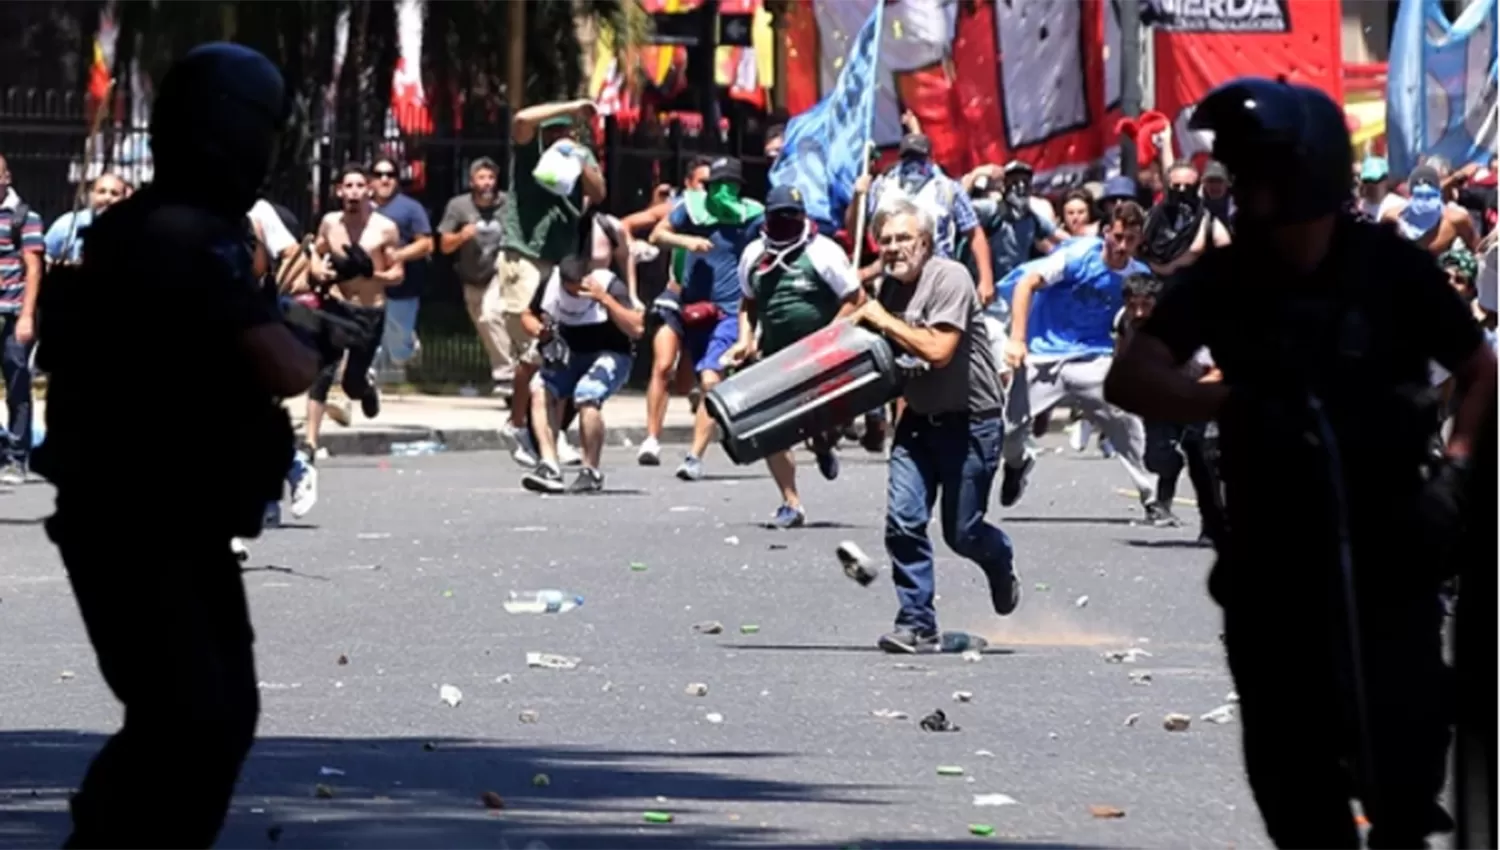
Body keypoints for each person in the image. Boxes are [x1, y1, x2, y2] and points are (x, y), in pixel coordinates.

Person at [1105, 76, 1497, 849]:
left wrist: (1456, 471)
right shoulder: (1226, 276)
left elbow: (1479, 366)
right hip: (1271, 560)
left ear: (1306, 177)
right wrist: (1232, 401)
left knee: (1408, 771)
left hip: (1390, 547)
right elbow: (1133, 375)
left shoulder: (1389, 267)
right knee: (1295, 790)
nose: (1244, 195)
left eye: (1258, 176)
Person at [32, 42, 321, 847]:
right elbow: (279, 363)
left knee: (208, 714)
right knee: (191, 713)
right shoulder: (182, 236)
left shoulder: (159, 226)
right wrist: (306, 336)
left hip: (166, 521)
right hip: (136, 524)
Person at [845, 199, 1019, 653]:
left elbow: (939, 349)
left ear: (925, 241)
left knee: (962, 533)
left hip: (972, 423)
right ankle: (917, 623)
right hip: (919, 422)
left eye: (904, 238)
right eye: (885, 240)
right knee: (903, 521)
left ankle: (999, 559)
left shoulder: (950, 277)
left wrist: (882, 319)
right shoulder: (890, 289)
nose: (893, 247)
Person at [998, 202, 1160, 517]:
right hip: (1045, 353)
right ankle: (1018, 464)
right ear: (1106, 233)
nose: (1122, 246)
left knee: (1125, 420)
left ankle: (1153, 497)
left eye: (1131, 239)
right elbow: (1026, 283)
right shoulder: (1076, 257)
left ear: (1140, 240)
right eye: (1118, 236)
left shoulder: (1138, 276)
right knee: (1008, 432)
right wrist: (1017, 340)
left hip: (1093, 358)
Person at [723, 185, 863, 527]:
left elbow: (854, 298)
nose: (785, 222)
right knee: (774, 429)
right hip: (776, 357)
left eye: (792, 216)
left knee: (825, 426)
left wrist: (830, 335)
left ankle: (824, 444)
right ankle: (791, 502)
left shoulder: (823, 252)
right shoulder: (754, 254)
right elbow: (748, 301)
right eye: (779, 216)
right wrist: (745, 338)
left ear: (802, 218)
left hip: (823, 357)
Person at [501, 97, 606, 465]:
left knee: (557, 353)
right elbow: (521, 117)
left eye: (565, 129)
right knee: (538, 349)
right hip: (526, 256)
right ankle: (518, 424)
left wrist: (579, 157)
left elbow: (599, 192)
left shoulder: (574, 157)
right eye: (553, 130)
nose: (558, 135)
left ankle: (550, 432)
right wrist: (575, 106)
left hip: (559, 262)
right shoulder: (531, 156)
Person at [295, 164, 403, 514]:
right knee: (323, 370)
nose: (354, 191)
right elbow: (315, 246)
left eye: (360, 185)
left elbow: (398, 272)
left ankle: (366, 389)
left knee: (352, 381)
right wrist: (316, 267)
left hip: (369, 312)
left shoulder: (385, 228)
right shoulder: (330, 222)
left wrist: (374, 272)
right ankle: (310, 442)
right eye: (348, 186)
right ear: (340, 191)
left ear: (369, 191)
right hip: (336, 305)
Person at [649, 156, 765, 481]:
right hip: (691, 310)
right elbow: (657, 235)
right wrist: (686, 240)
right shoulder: (692, 208)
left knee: (711, 379)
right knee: (685, 380)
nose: (722, 192)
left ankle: (693, 457)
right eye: (717, 185)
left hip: (730, 312)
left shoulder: (752, 215)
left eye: (729, 186)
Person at [519, 255, 643, 493]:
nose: (576, 294)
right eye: (571, 289)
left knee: (587, 394)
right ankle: (549, 466)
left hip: (610, 352)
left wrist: (604, 299)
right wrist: (537, 329)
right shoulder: (550, 283)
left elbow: (636, 328)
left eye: (581, 288)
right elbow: (527, 315)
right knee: (539, 389)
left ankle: (590, 471)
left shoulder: (609, 284)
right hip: (569, 354)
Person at [1116, 272, 1226, 540]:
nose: (1139, 312)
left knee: (1207, 458)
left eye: (1146, 305)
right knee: (1157, 457)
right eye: (1133, 305)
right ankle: (1169, 482)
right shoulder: (1125, 321)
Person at [623, 156, 710, 466]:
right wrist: (634, 248)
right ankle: (651, 439)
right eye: (702, 183)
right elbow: (627, 224)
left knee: (689, 381)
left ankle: (695, 399)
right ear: (689, 184)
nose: (708, 190)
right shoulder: (677, 207)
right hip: (674, 295)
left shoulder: (729, 212)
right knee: (662, 366)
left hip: (708, 301)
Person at [0, 153, 44, 486]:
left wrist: (26, 316)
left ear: (6, 177)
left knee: (17, 384)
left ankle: (16, 458)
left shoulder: (23, 217)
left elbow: (33, 267)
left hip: (12, 313)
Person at [370, 155, 434, 373]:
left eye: (390, 175)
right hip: (369, 285)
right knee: (368, 337)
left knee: (398, 349)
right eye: (379, 175)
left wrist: (399, 256)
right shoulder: (361, 207)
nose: (384, 179)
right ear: (371, 180)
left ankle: (409, 347)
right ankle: (366, 382)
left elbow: (426, 244)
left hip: (403, 286)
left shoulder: (410, 208)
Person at [43, 173, 130, 266]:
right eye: (101, 191)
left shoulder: (133, 229)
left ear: (124, 198)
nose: (107, 198)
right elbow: (45, 255)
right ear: (91, 195)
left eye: (114, 194)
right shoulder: (68, 224)